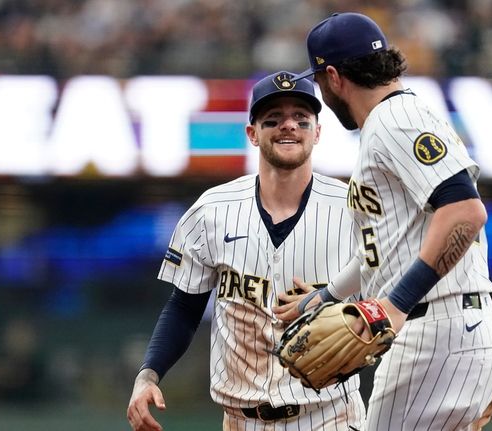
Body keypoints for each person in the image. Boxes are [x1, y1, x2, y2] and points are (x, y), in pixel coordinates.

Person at [274, 12, 492, 430]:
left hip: (438, 335)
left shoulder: (393, 120)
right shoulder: (395, 120)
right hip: (462, 333)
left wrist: (396, 303)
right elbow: (387, 246)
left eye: (319, 83)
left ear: (333, 77)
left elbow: (465, 210)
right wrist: (327, 296)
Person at [127, 71, 365, 431]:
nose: (289, 126)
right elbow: (184, 307)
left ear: (317, 132)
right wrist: (148, 376)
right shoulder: (212, 209)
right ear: (252, 134)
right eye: (273, 120)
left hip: (331, 415)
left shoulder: (354, 209)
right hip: (241, 420)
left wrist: (347, 312)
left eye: (302, 119)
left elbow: (387, 303)